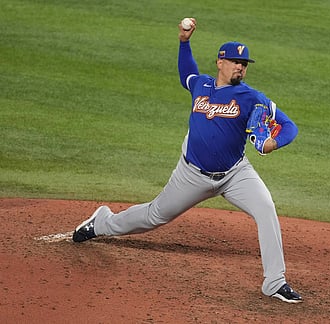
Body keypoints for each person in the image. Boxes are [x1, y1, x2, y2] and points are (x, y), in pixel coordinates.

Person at [72, 18, 302, 303]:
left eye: (244, 63)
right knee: (155, 216)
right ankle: (101, 223)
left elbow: (290, 126)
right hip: (192, 174)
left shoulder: (251, 97)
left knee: (266, 208)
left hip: (235, 173)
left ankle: (275, 282)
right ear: (220, 62)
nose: (240, 67)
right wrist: (184, 42)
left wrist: (273, 143)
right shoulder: (201, 85)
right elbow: (186, 74)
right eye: (234, 61)